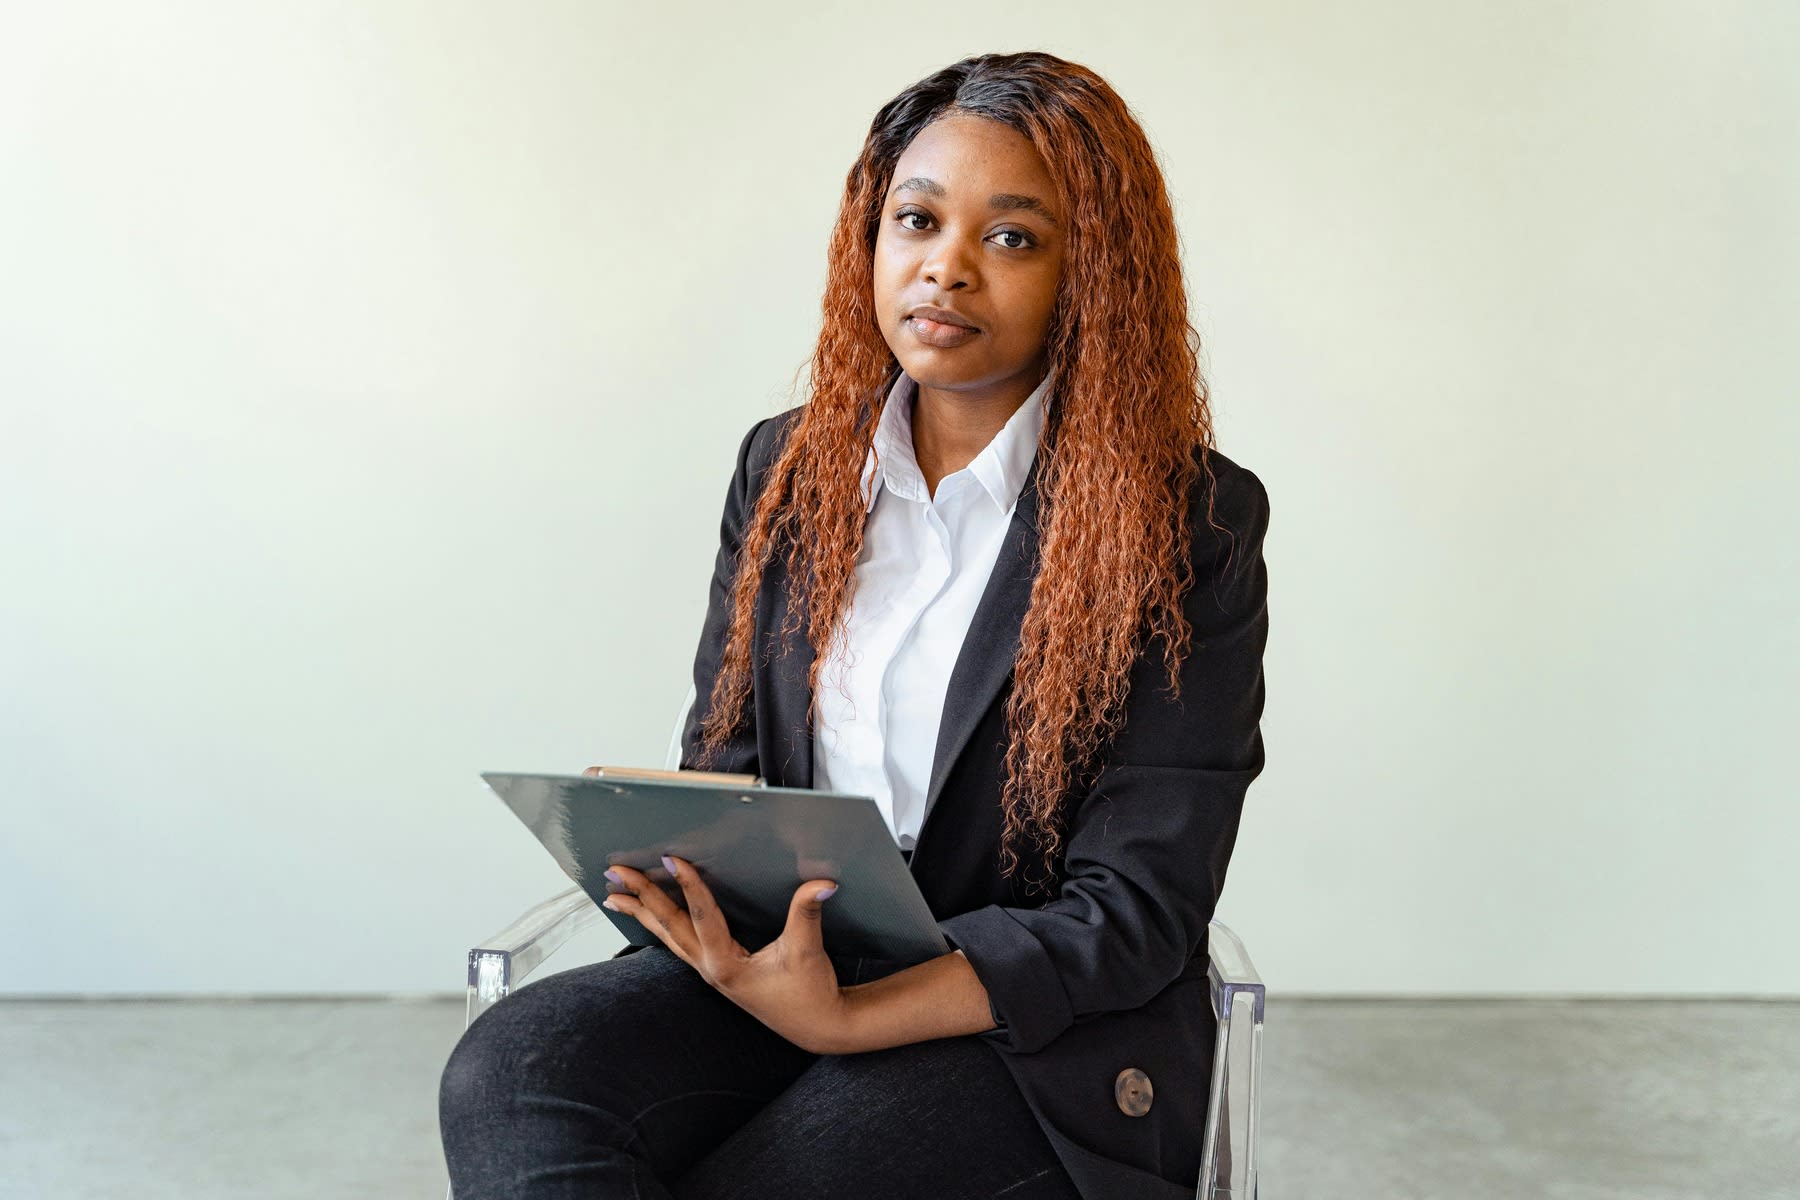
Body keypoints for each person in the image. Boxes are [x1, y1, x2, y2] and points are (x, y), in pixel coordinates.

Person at [439, 49, 1270, 1200]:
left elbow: (1135, 909)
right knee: (514, 1071)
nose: (946, 269)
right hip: (786, 973)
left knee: (783, 1171)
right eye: (916, 219)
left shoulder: (1189, 519)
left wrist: (850, 1021)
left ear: (1093, 275)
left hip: (1035, 1036)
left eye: (1013, 237)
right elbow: (726, 763)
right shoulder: (785, 468)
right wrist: (666, 845)